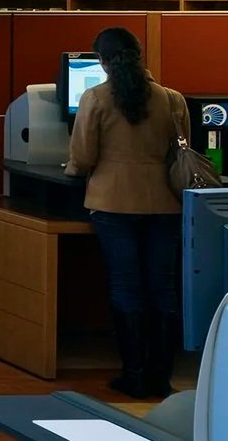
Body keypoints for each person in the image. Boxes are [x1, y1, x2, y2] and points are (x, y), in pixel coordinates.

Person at [66, 26, 192, 399]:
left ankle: (133, 374)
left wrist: (71, 168)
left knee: (126, 286)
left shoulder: (96, 98)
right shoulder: (172, 99)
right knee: (163, 288)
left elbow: (84, 157)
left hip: (113, 203)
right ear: (140, 55)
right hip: (164, 204)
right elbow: (181, 152)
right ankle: (161, 378)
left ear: (102, 61)